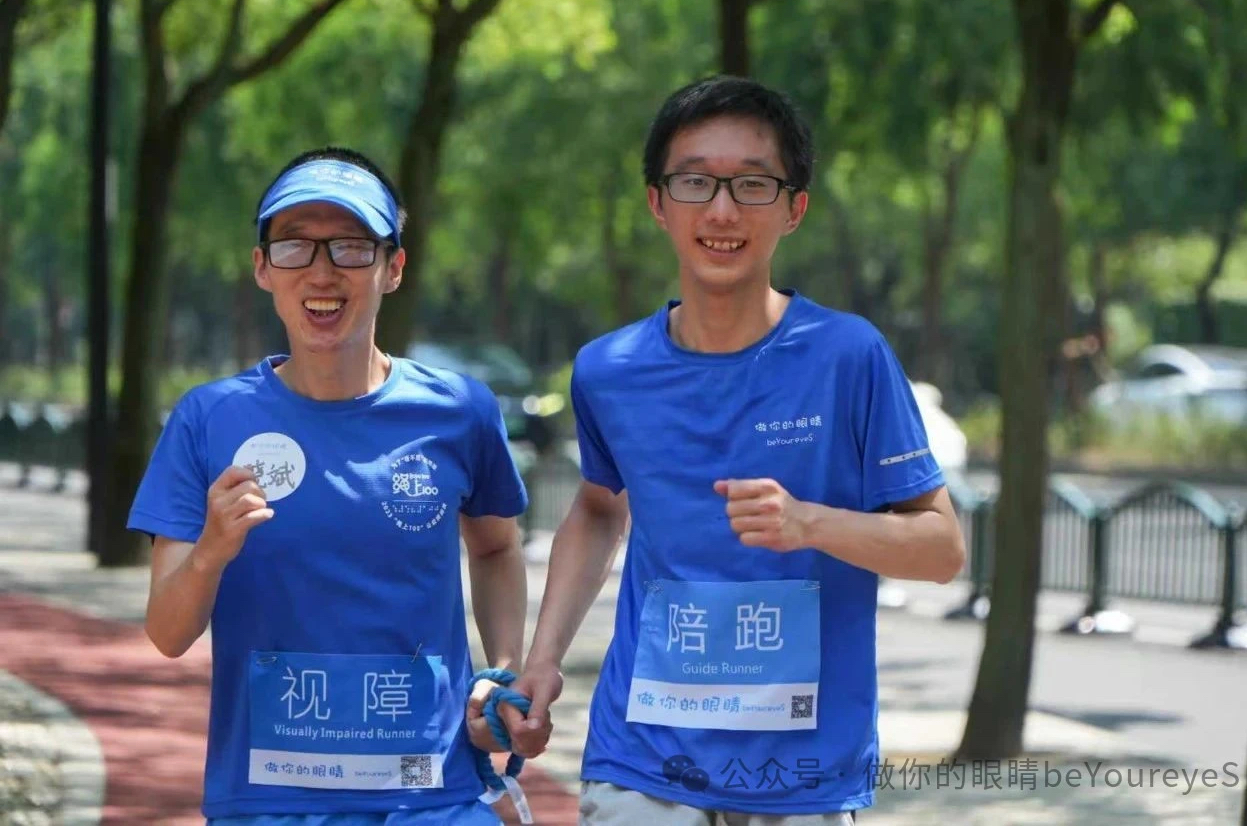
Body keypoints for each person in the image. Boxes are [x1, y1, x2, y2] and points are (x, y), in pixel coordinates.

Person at [507, 77, 967, 824]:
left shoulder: (849, 357)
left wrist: (811, 523)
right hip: (644, 758)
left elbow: (943, 548)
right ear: (658, 202)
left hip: (804, 773)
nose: (722, 210)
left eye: (752, 184)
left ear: (795, 208)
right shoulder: (608, 369)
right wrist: (544, 657)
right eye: (695, 181)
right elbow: (598, 509)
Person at [128, 147, 537, 825]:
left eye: (350, 246)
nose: (322, 271)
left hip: (430, 790)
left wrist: (501, 672)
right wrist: (211, 551)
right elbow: (168, 633)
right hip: (269, 795)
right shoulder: (208, 418)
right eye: (294, 245)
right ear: (262, 267)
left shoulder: (460, 410)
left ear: (392, 267)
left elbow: (495, 548)